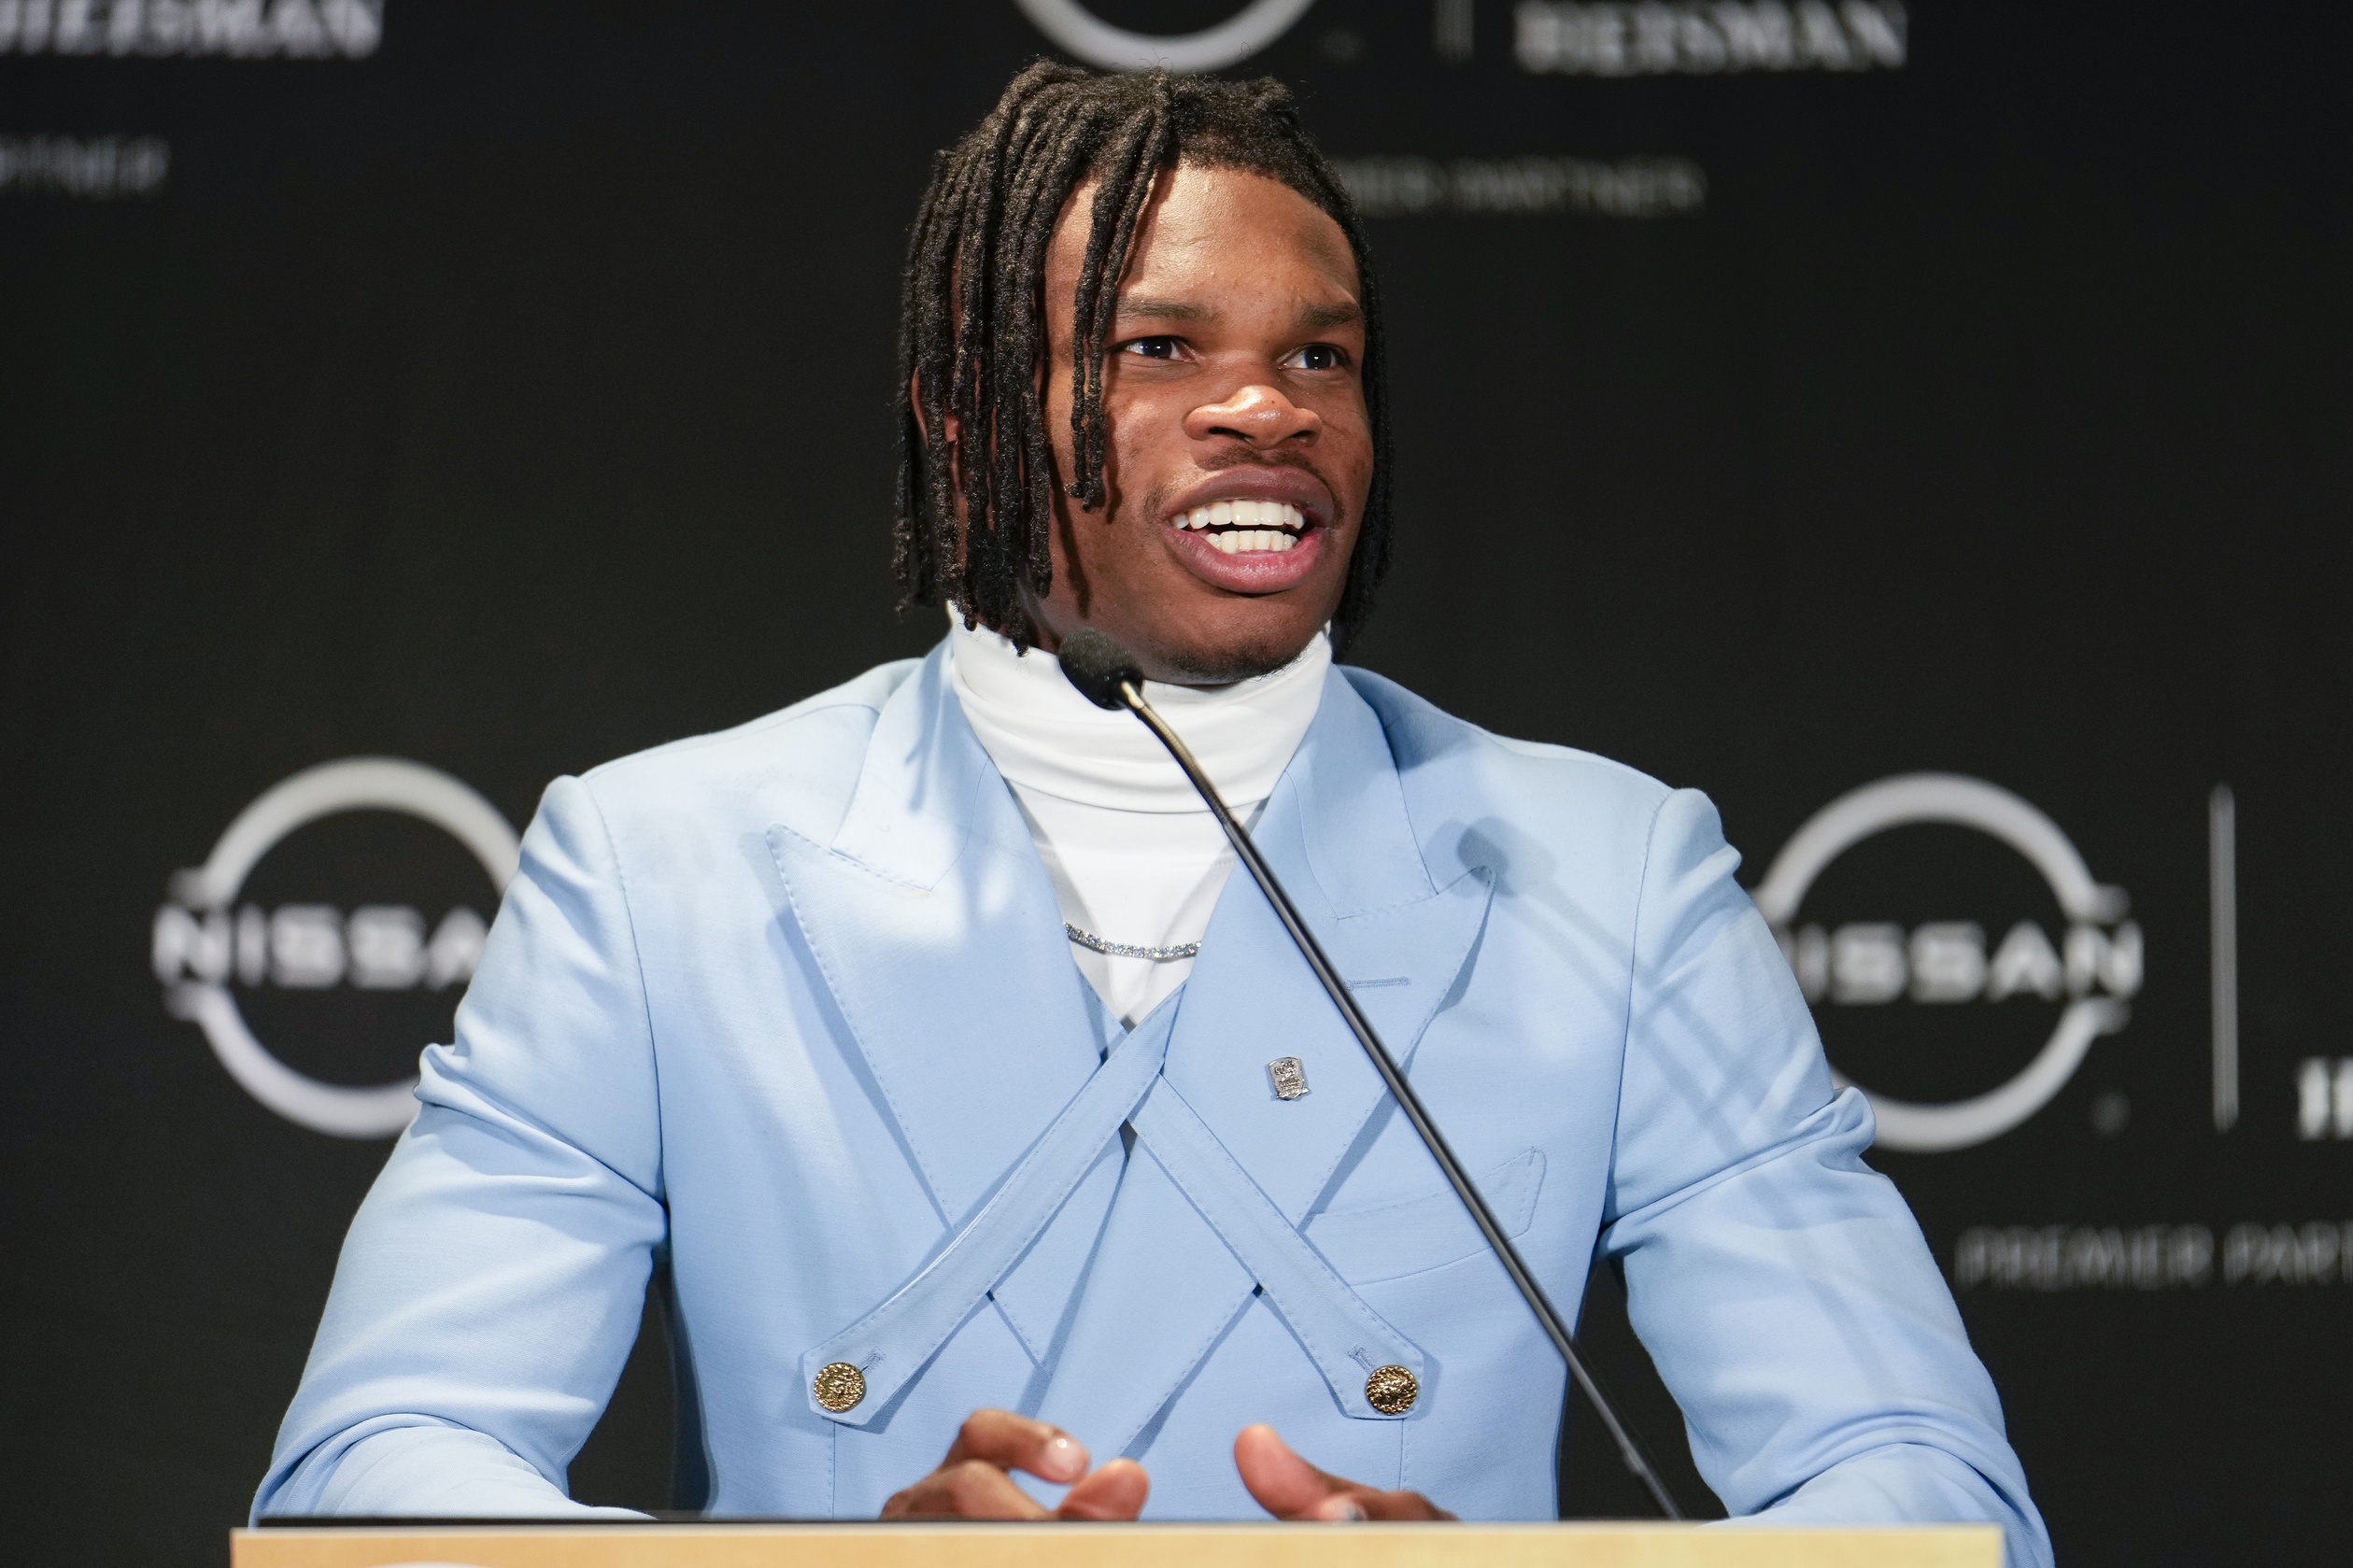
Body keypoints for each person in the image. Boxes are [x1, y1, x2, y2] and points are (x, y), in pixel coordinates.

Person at [255, 63, 2050, 1563]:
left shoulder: (1607, 873)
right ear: (964, 423)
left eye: (1321, 358)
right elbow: (370, 1483)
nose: (1265, 407)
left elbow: (1929, 1502)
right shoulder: (659, 866)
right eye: (1159, 346)